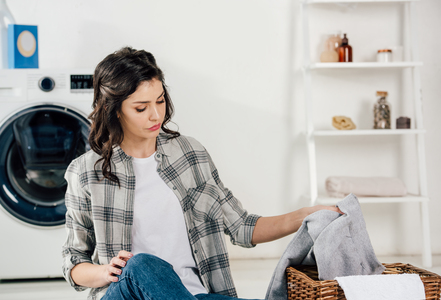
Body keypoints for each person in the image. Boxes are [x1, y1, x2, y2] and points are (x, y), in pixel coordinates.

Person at [62, 47, 341, 300]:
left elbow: (242, 226)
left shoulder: (190, 153)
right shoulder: (86, 172)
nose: (156, 115)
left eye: (159, 101)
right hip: (126, 294)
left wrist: (305, 215)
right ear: (115, 110)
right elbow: (73, 262)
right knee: (141, 264)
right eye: (141, 108)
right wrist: (105, 272)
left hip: (193, 295)